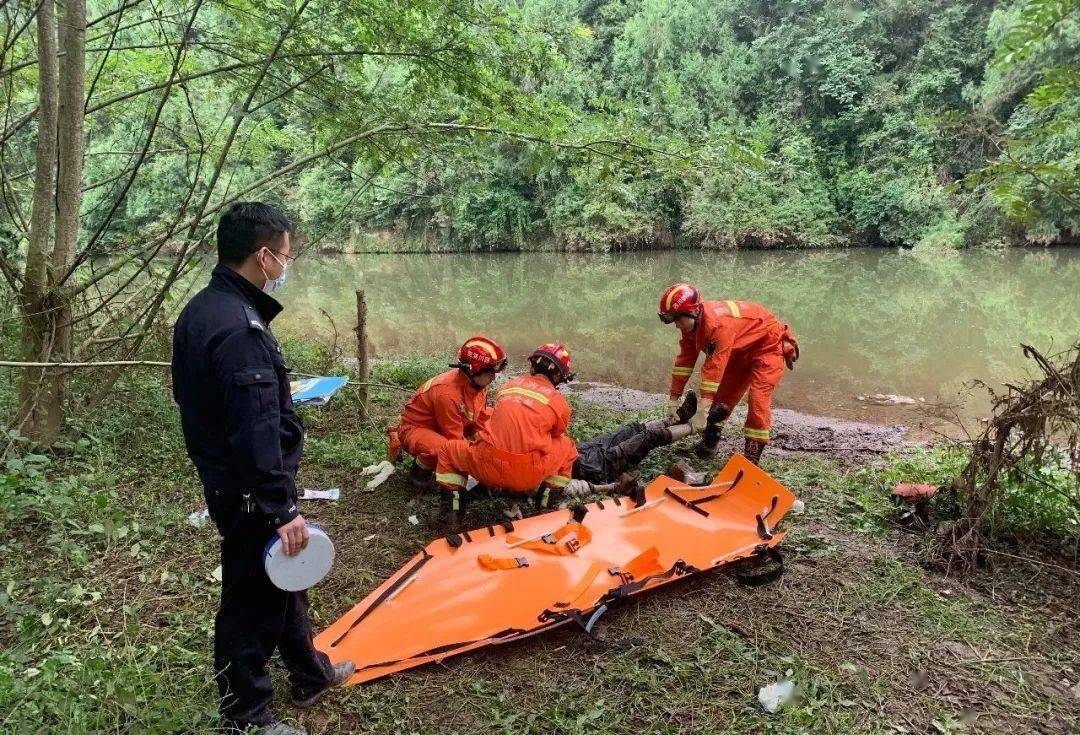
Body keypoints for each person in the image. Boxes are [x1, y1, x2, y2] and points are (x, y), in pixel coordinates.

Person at [172, 202, 353, 735]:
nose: (286, 267)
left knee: (285, 579)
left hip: (235, 482)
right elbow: (254, 430)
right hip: (250, 490)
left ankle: (309, 672)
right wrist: (281, 507)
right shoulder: (240, 328)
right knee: (250, 602)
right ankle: (246, 715)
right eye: (286, 256)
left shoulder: (204, 308)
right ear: (264, 255)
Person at [434, 344, 698, 526]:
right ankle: (693, 427)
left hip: (491, 463)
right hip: (557, 468)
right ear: (559, 375)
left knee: (630, 430)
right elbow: (558, 439)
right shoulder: (558, 403)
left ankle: (452, 514)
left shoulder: (508, 387)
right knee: (619, 442)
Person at [657, 281, 799, 465]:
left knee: (758, 400)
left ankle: (751, 458)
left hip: (768, 346)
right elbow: (684, 362)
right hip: (740, 349)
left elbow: (712, 370)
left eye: (677, 319)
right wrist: (673, 399)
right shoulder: (691, 326)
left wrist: (702, 411)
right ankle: (708, 446)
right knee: (723, 398)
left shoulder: (718, 325)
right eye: (672, 320)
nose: (676, 325)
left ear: (692, 312)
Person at [388, 337, 506, 491]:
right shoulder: (447, 394)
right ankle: (418, 476)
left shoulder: (478, 385)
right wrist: (480, 463)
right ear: (472, 370)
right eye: (491, 371)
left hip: (445, 425)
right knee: (447, 448)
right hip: (416, 429)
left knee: (494, 421)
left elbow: (480, 418)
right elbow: (454, 438)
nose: (494, 376)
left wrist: (487, 441)